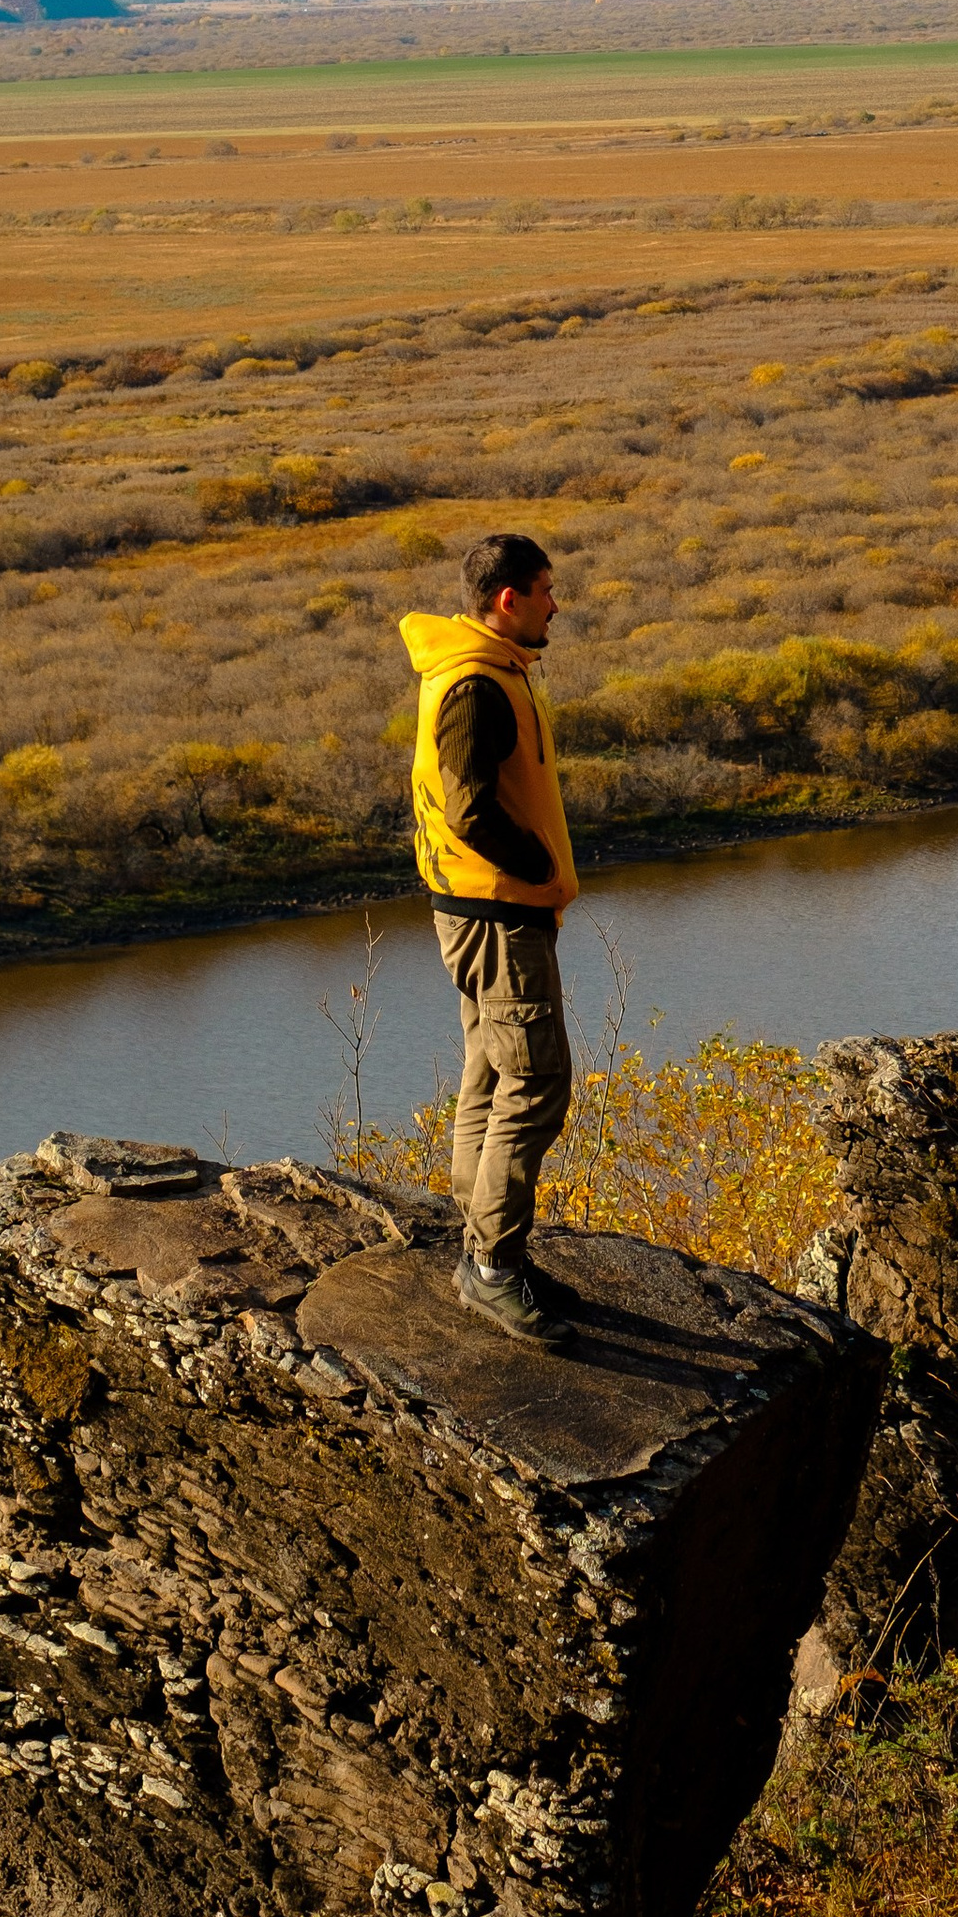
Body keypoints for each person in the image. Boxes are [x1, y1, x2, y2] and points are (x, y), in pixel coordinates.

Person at [399, 532, 580, 1349]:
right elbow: (470, 810)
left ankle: (483, 1246)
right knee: (535, 1085)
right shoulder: (476, 684)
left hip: (486, 911)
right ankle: (492, 1270)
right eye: (545, 589)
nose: (555, 603)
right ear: (507, 598)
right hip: (498, 914)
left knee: (490, 1071)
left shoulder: (490, 670)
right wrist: (539, 868)